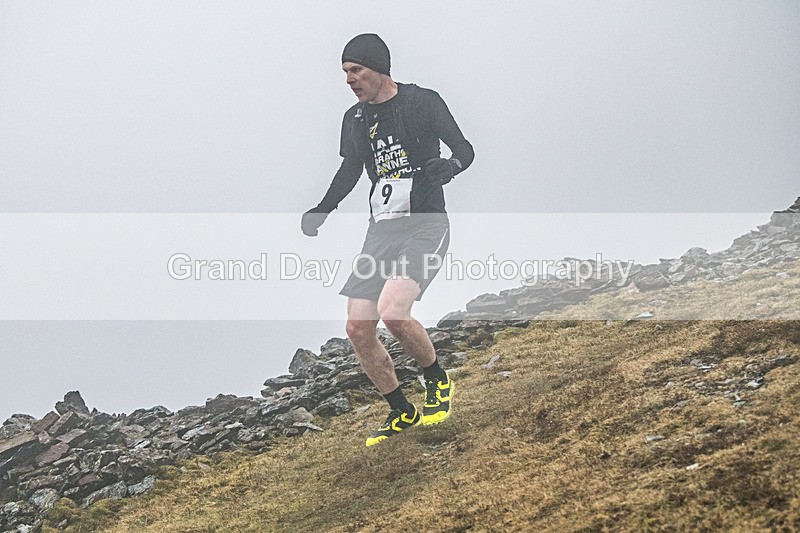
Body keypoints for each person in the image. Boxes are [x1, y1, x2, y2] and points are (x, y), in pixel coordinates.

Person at [301, 33, 474, 446]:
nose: (349, 80)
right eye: (344, 72)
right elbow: (351, 169)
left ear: (378, 68)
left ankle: (437, 382)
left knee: (394, 313)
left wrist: (448, 168)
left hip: (425, 225)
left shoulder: (422, 101)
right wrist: (322, 209)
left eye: (355, 70)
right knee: (358, 329)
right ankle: (401, 411)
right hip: (380, 233)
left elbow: (465, 149)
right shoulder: (355, 119)